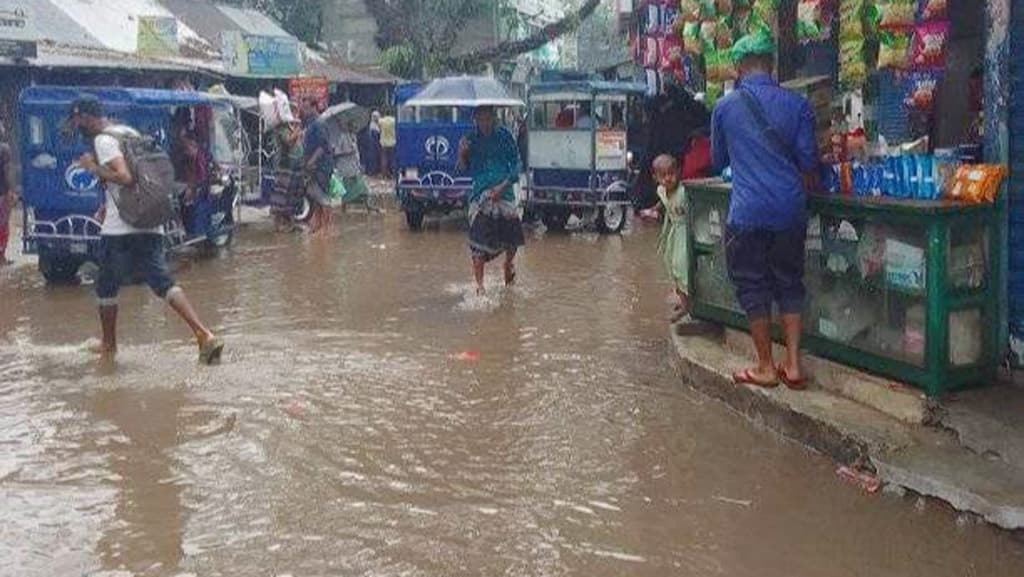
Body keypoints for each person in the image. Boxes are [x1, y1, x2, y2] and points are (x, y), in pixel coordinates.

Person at [67, 96, 223, 363]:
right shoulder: (127, 132)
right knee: (162, 282)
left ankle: (109, 346)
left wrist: (93, 168)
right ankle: (203, 334)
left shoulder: (103, 140)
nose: (75, 125)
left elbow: (125, 176)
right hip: (151, 221)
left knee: (105, 286)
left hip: (121, 229)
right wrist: (107, 201)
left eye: (76, 119)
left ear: (85, 117)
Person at [710, 33, 819, 390]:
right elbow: (808, 160)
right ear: (770, 65)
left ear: (739, 68)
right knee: (790, 282)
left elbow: (718, 161)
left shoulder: (725, 108)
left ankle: (765, 367)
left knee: (753, 286)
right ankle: (794, 365)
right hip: (790, 209)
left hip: (748, 212)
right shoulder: (797, 104)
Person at [457, 106, 524, 295]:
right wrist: (461, 154)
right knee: (478, 244)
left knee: (512, 241)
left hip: (505, 194)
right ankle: (479, 286)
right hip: (480, 196)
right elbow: (461, 169)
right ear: (475, 119)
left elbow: (517, 164)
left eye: (488, 119)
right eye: (480, 119)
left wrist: (502, 187)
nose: (484, 123)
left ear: (494, 119)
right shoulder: (469, 140)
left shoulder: (505, 136)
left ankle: (508, 264)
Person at [652, 154, 690, 322]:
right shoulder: (661, 190)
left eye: (671, 173)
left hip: (684, 232)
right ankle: (683, 301)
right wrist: (654, 210)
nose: (668, 178)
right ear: (656, 178)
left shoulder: (683, 193)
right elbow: (663, 201)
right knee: (671, 267)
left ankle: (688, 306)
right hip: (673, 232)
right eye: (663, 175)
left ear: (678, 172)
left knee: (681, 267)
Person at [300, 100, 334, 234]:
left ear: (314, 107)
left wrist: (311, 161)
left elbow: (322, 146)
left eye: (307, 108)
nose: (305, 111)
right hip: (315, 165)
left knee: (322, 196)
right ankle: (319, 226)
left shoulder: (319, 123)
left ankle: (326, 228)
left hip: (321, 166)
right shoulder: (311, 124)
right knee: (316, 196)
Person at [269, 119, 305, 232]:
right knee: (281, 196)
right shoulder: (280, 128)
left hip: (294, 164)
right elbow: (289, 141)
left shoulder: (288, 127)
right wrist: (298, 131)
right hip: (285, 165)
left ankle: (291, 223)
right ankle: (277, 225)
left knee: (292, 196)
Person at [0, 131, 12, 266]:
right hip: (1, 193)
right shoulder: (4, 149)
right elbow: (6, 171)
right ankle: (1, 257)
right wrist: (10, 190)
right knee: (3, 225)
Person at [379, 110, 396, 178]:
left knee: (384, 159)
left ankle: (384, 174)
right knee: (392, 159)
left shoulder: (381, 121)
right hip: (392, 142)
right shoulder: (394, 120)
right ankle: (393, 173)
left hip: (383, 142)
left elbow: (379, 128)